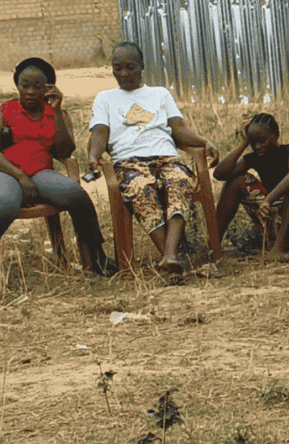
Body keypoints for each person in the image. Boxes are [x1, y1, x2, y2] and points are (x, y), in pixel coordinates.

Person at [0, 56, 111, 284]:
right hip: (3, 172)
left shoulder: (57, 114)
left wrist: (56, 111)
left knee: (76, 194)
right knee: (5, 203)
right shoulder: (3, 111)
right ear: (17, 85)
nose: (30, 91)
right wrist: (21, 177)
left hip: (40, 173)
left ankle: (97, 256)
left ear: (48, 88)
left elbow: (64, 150)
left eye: (37, 86)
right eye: (24, 85)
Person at [86, 41, 212, 277]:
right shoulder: (106, 98)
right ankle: (171, 257)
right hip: (129, 162)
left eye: (130, 67)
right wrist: (94, 156)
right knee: (140, 188)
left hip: (166, 158)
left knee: (179, 181)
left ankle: (169, 256)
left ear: (142, 66)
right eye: (117, 68)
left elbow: (179, 129)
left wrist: (203, 141)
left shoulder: (160, 94)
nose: (124, 74)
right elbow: (99, 133)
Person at [212, 112, 289, 256]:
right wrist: (244, 143)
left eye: (262, 141)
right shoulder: (254, 158)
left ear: (276, 135)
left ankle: (282, 248)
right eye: (253, 142)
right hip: (272, 218)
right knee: (236, 181)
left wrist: (269, 199)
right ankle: (213, 244)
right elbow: (219, 174)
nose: (257, 146)